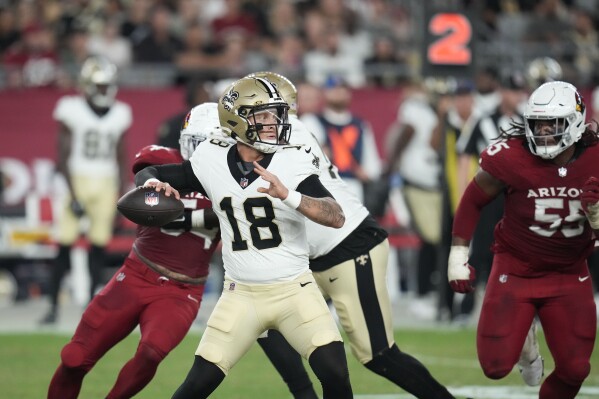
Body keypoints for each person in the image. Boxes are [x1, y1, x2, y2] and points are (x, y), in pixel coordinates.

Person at [135, 76, 353, 399]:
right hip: (241, 295)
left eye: (275, 115)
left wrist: (289, 195)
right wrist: (154, 186)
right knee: (196, 385)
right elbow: (154, 173)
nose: (274, 123)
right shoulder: (210, 157)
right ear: (238, 119)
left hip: (296, 289)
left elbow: (336, 215)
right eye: (263, 116)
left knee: (335, 374)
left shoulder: (291, 159)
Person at [249, 71, 459, 399]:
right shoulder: (266, 140)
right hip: (313, 256)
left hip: (348, 245)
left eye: (263, 113)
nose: (259, 121)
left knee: (378, 355)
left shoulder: (292, 137)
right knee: (264, 321)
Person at [47, 105, 221, 399]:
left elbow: (232, 214)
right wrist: (152, 184)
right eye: (202, 142)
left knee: (151, 353)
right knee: (74, 358)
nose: (207, 150)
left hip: (182, 290)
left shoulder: (228, 177)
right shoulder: (164, 161)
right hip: (137, 274)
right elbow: (144, 177)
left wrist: (188, 218)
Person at [448, 81, 597, 399]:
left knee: (575, 369)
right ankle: (526, 341)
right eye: (537, 124)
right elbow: (473, 199)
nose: (543, 132)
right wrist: (457, 257)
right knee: (494, 366)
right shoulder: (513, 155)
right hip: (517, 268)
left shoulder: (595, 158)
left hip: (568, 272)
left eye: (552, 125)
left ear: (574, 122)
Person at [40, 55, 132, 324]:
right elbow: (63, 154)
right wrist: (72, 192)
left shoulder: (121, 113)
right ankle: (53, 306)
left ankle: (93, 307)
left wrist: (120, 191)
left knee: (99, 247)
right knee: (64, 245)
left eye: (107, 85)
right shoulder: (71, 109)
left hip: (106, 182)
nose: (104, 91)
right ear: (87, 85)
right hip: (77, 180)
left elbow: (121, 155)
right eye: (100, 86)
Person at [301, 75, 382, 204]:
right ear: (324, 93)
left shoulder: (360, 124)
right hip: (324, 185)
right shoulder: (312, 121)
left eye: (342, 89)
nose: (338, 93)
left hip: (353, 187)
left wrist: (369, 174)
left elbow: (372, 162)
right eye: (333, 89)